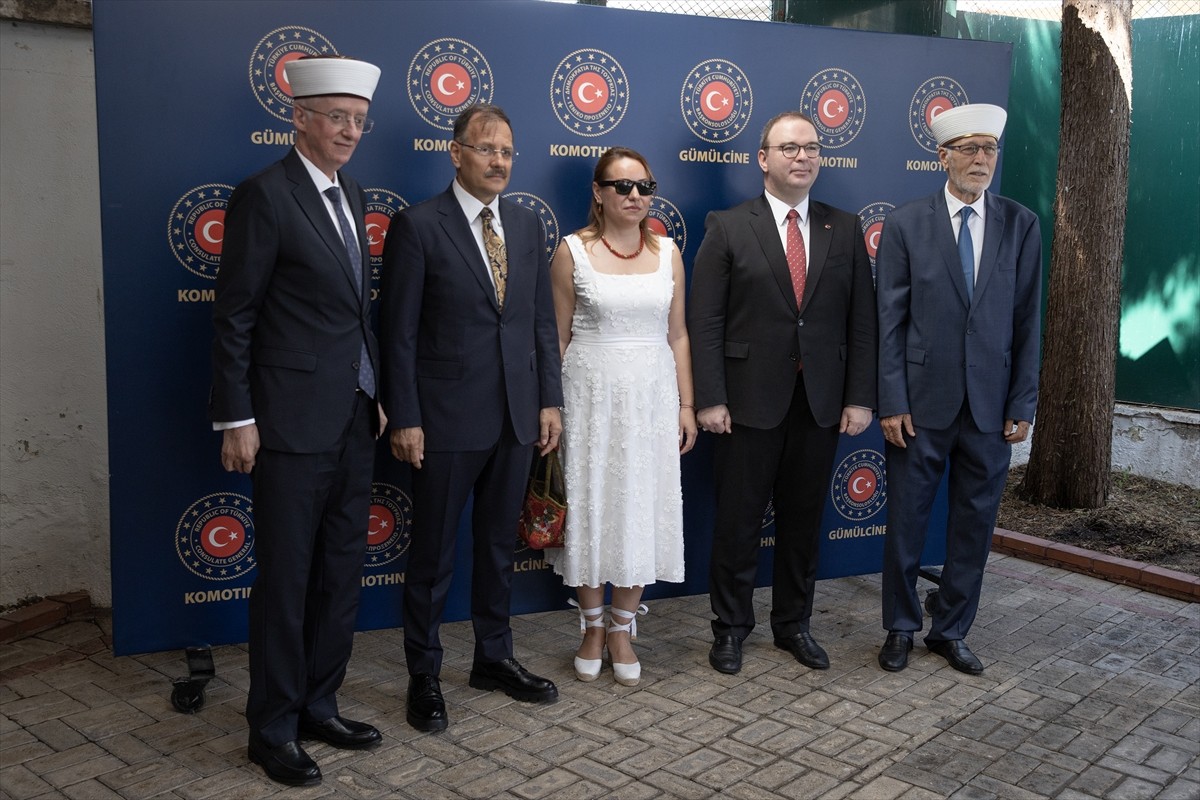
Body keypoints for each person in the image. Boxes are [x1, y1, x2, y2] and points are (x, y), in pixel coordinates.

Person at [210, 56, 385, 786]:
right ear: (300, 119)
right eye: (337, 117)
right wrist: (236, 417)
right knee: (286, 581)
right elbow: (235, 316)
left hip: (351, 419)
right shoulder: (265, 196)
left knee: (340, 573)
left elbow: (354, 312)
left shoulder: (355, 190)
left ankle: (320, 704)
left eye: (358, 120)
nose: (350, 131)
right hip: (284, 424)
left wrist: (376, 393)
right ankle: (272, 728)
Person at [379, 104, 563, 732]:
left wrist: (549, 401)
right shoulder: (418, 226)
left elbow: (541, 323)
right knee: (431, 556)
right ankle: (423, 675)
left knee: (496, 549)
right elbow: (397, 334)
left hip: (516, 417)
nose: (499, 160)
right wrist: (404, 415)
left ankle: (494, 656)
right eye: (486, 148)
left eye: (508, 151)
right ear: (455, 153)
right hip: (444, 421)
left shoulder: (527, 224)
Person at [688, 111, 877, 676]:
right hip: (745, 402)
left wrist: (859, 396)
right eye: (790, 148)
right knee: (738, 522)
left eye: (812, 148)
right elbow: (706, 322)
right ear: (763, 158)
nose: (803, 157)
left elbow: (860, 322)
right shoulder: (726, 225)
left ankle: (794, 624)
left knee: (803, 521)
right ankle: (731, 629)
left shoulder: (843, 227)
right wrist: (710, 398)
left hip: (819, 403)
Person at [875, 103, 1041, 676]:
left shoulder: (1021, 223)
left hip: (992, 407)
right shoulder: (905, 223)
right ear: (942, 155)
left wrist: (1023, 401)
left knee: (974, 524)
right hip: (920, 404)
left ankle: (950, 629)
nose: (980, 159)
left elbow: (1027, 319)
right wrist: (891, 399)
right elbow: (889, 321)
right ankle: (899, 626)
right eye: (968, 149)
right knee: (907, 521)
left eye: (989, 149)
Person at [545, 148, 697, 687]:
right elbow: (556, 338)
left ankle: (622, 629)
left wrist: (685, 405)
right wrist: (552, 408)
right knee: (590, 507)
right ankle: (590, 626)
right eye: (623, 186)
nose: (636, 196)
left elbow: (678, 334)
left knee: (641, 508)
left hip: (652, 401)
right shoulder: (571, 251)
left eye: (645, 186)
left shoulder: (670, 253)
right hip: (587, 398)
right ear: (599, 192)